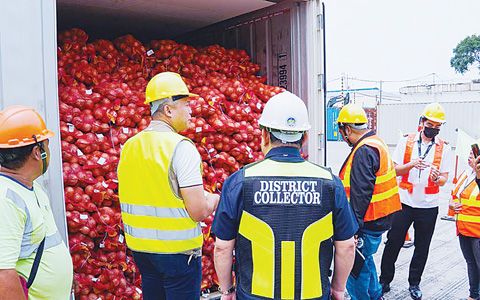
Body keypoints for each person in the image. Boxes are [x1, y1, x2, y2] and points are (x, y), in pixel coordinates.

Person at [212, 91, 358, 300]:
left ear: (264, 135)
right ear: (305, 137)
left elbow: (222, 247)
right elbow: (346, 246)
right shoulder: (330, 183)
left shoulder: (239, 182)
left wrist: (227, 291)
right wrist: (337, 289)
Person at [117, 72, 220, 300]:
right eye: (186, 104)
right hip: (178, 254)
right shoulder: (181, 148)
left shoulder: (130, 146)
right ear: (169, 110)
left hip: (142, 251)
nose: (191, 110)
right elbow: (198, 211)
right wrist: (213, 199)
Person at [380, 102, 452, 300]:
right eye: (431, 124)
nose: (434, 129)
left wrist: (438, 178)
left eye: (438, 126)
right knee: (393, 242)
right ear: (422, 122)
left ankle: (415, 283)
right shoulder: (406, 142)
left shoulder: (444, 148)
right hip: (404, 202)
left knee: (422, 247)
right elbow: (394, 170)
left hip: (428, 206)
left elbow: (445, 179)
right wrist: (411, 165)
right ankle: (384, 280)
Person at [0, 105, 73, 299]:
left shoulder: (30, 186)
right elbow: (3, 276)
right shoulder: (6, 200)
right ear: (36, 152)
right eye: (46, 144)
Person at [336, 103, 401, 300]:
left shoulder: (363, 150)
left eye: (342, 131)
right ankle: (376, 295)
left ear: (347, 129)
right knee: (366, 259)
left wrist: (352, 229)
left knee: (355, 268)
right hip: (380, 217)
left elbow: (361, 194)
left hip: (368, 220)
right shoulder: (376, 142)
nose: (342, 136)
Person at [450, 151, 480, 300]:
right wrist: (451, 204)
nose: (469, 156)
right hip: (463, 229)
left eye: (473, 154)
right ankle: (473, 295)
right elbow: (455, 196)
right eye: (468, 153)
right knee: (471, 264)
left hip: (478, 233)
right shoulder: (466, 173)